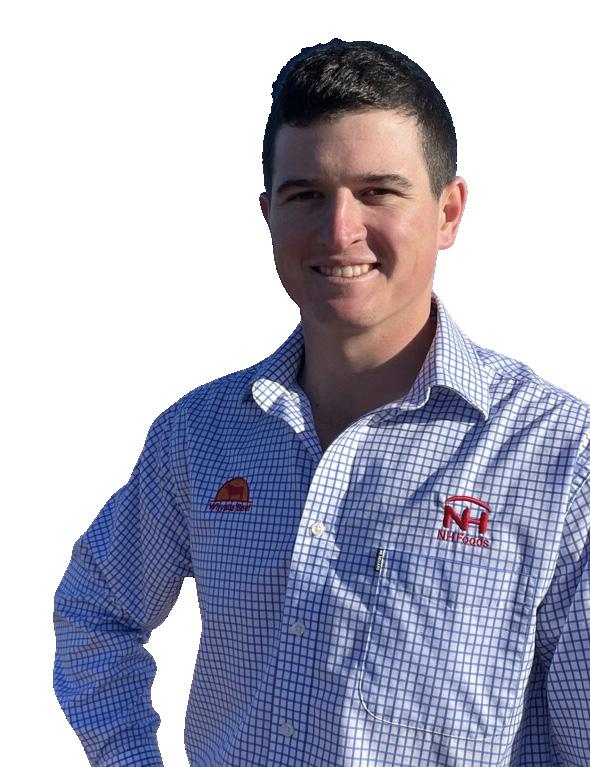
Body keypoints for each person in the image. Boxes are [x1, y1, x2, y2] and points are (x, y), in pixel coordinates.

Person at [53, 38, 590, 767]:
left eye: (378, 192)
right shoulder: (201, 435)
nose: (340, 230)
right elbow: (96, 609)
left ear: (448, 211)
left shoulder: (559, 459)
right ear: (269, 214)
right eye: (307, 194)